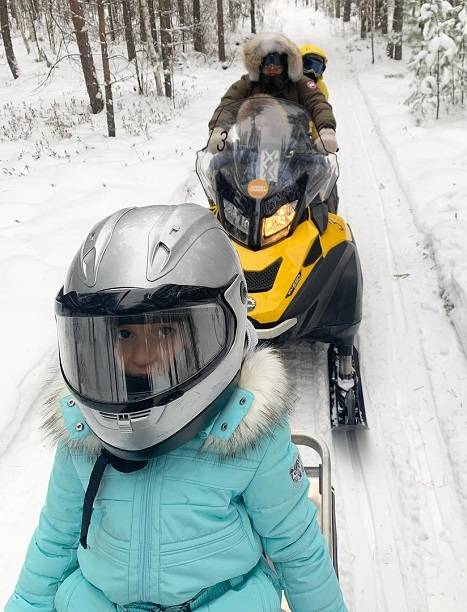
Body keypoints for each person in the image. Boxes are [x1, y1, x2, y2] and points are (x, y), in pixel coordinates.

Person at [6, 204, 347, 612]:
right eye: (125, 333)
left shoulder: (247, 434)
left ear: (221, 327)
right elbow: (55, 542)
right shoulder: (83, 432)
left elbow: (296, 549)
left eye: (165, 331)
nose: (141, 355)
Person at [208, 32, 338, 156]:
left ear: (286, 62)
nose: (272, 68)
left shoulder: (300, 82)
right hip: (252, 147)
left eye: (276, 64)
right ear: (258, 63)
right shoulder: (248, 83)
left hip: (296, 149)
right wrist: (219, 130)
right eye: (267, 64)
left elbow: (317, 102)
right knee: (219, 167)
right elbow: (228, 103)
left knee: (320, 169)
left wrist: (326, 130)